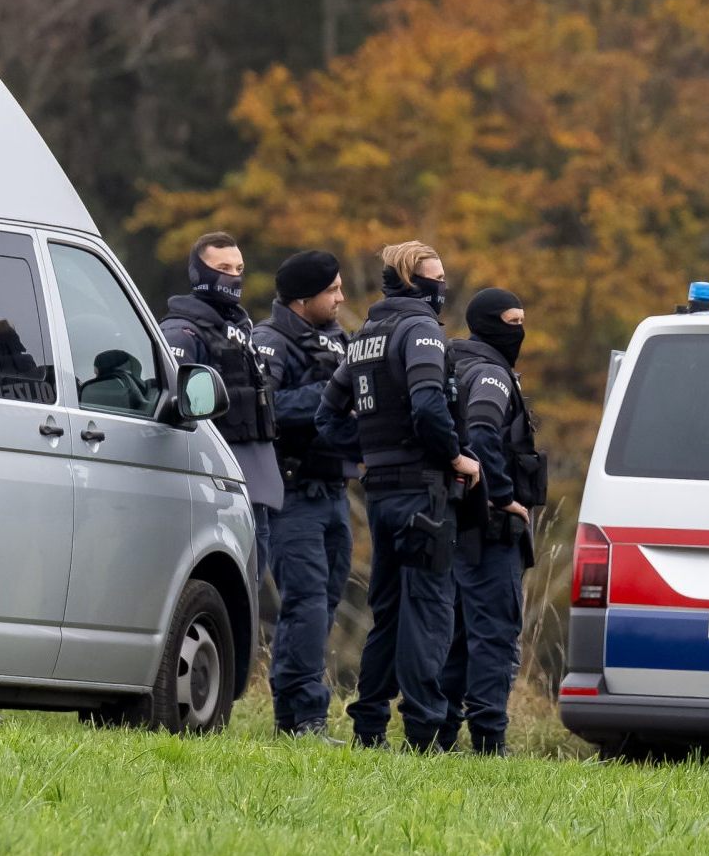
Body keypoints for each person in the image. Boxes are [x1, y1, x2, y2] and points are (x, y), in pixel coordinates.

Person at [316, 240, 481, 750]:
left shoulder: (366, 335)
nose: (443, 286)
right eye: (437, 278)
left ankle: (369, 726)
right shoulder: (421, 330)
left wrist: (372, 452)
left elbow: (327, 417)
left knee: (387, 611)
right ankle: (424, 732)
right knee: (428, 611)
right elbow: (429, 404)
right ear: (414, 281)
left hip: (383, 494)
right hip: (422, 492)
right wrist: (454, 456)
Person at [253, 250, 360, 739]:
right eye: (332, 290)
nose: (340, 297)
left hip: (334, 490)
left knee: (325, 603)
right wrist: (330, 397)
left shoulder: (339, 341)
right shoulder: (269, 341)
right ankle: (304, 717)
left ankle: (295, 717)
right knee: (307, 604)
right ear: (302, 298)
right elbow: (264, 407)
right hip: (293, 492)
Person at [438, 288, 548, 756]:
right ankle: (489, 739)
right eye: (511, 321)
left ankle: (439, 734)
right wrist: (503, 498)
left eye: (522, 320)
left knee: (457, 635)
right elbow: (483, 431)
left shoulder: (456, 363)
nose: (519, 331)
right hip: (489, 528)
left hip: (456, 522)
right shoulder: (491, 374)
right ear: (487, 323)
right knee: (495, 634)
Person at [159, 233, 281, 587]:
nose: (234, 277)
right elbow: (172, 411)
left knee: (249, 589)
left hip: (251, 485)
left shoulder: (241, 332)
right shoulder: (181, 332)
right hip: (213, 486)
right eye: (223, 268)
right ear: (199, 273)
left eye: (239, 269)